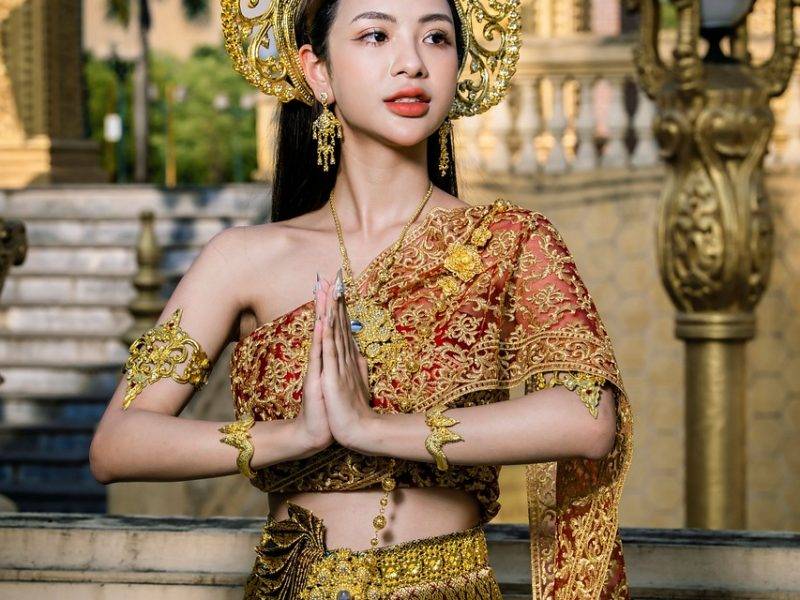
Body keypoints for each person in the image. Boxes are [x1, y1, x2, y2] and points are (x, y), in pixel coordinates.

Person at [90, 0, 634, 597]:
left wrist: (374, 428)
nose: (411, 63)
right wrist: (292, 436)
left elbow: (588, 418)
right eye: (376, 35)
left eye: (436, 39)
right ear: (318, 71)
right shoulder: (244, 258)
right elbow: (119, 443)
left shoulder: (507, 243)